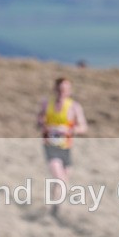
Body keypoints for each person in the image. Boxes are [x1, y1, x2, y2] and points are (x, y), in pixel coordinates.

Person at [36, 77, 88, 217]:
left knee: (62, 180)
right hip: (50, 146)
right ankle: (56, 211)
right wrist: (44, 125)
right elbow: (39, 120)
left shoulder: (74, 107)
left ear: (69, 91)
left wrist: (70, 130)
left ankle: (55, 206)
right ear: (55, 89)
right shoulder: (47, 103)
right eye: (60, 89)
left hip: (66, 147)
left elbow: (83, 127)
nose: (62, 92)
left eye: (65, 90)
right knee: (60, 179)